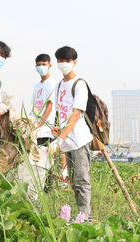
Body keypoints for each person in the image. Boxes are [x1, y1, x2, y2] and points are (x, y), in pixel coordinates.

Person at [49, 46, 93, 220]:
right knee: (74, 183)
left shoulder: (79, 84)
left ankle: (85, 218)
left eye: (67, 61)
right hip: (67, 140)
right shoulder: (59, 84)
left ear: (74, 62)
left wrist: (59, 139)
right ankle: (81, 216)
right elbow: (62, 111)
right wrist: (58, 131)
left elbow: (75, 114)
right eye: (60, 60)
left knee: (82, 180)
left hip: (79, 140)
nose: (63, 64)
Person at [30, 54, 56, 146]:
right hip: (34, 131)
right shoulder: (36, 86)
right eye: (39, 65)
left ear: (50, 66)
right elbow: (34, 107)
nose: (41, 67)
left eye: (44, 64)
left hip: (45, 131)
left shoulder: (51, 83)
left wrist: (39, 124)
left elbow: (50, 106)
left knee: (44, 158)